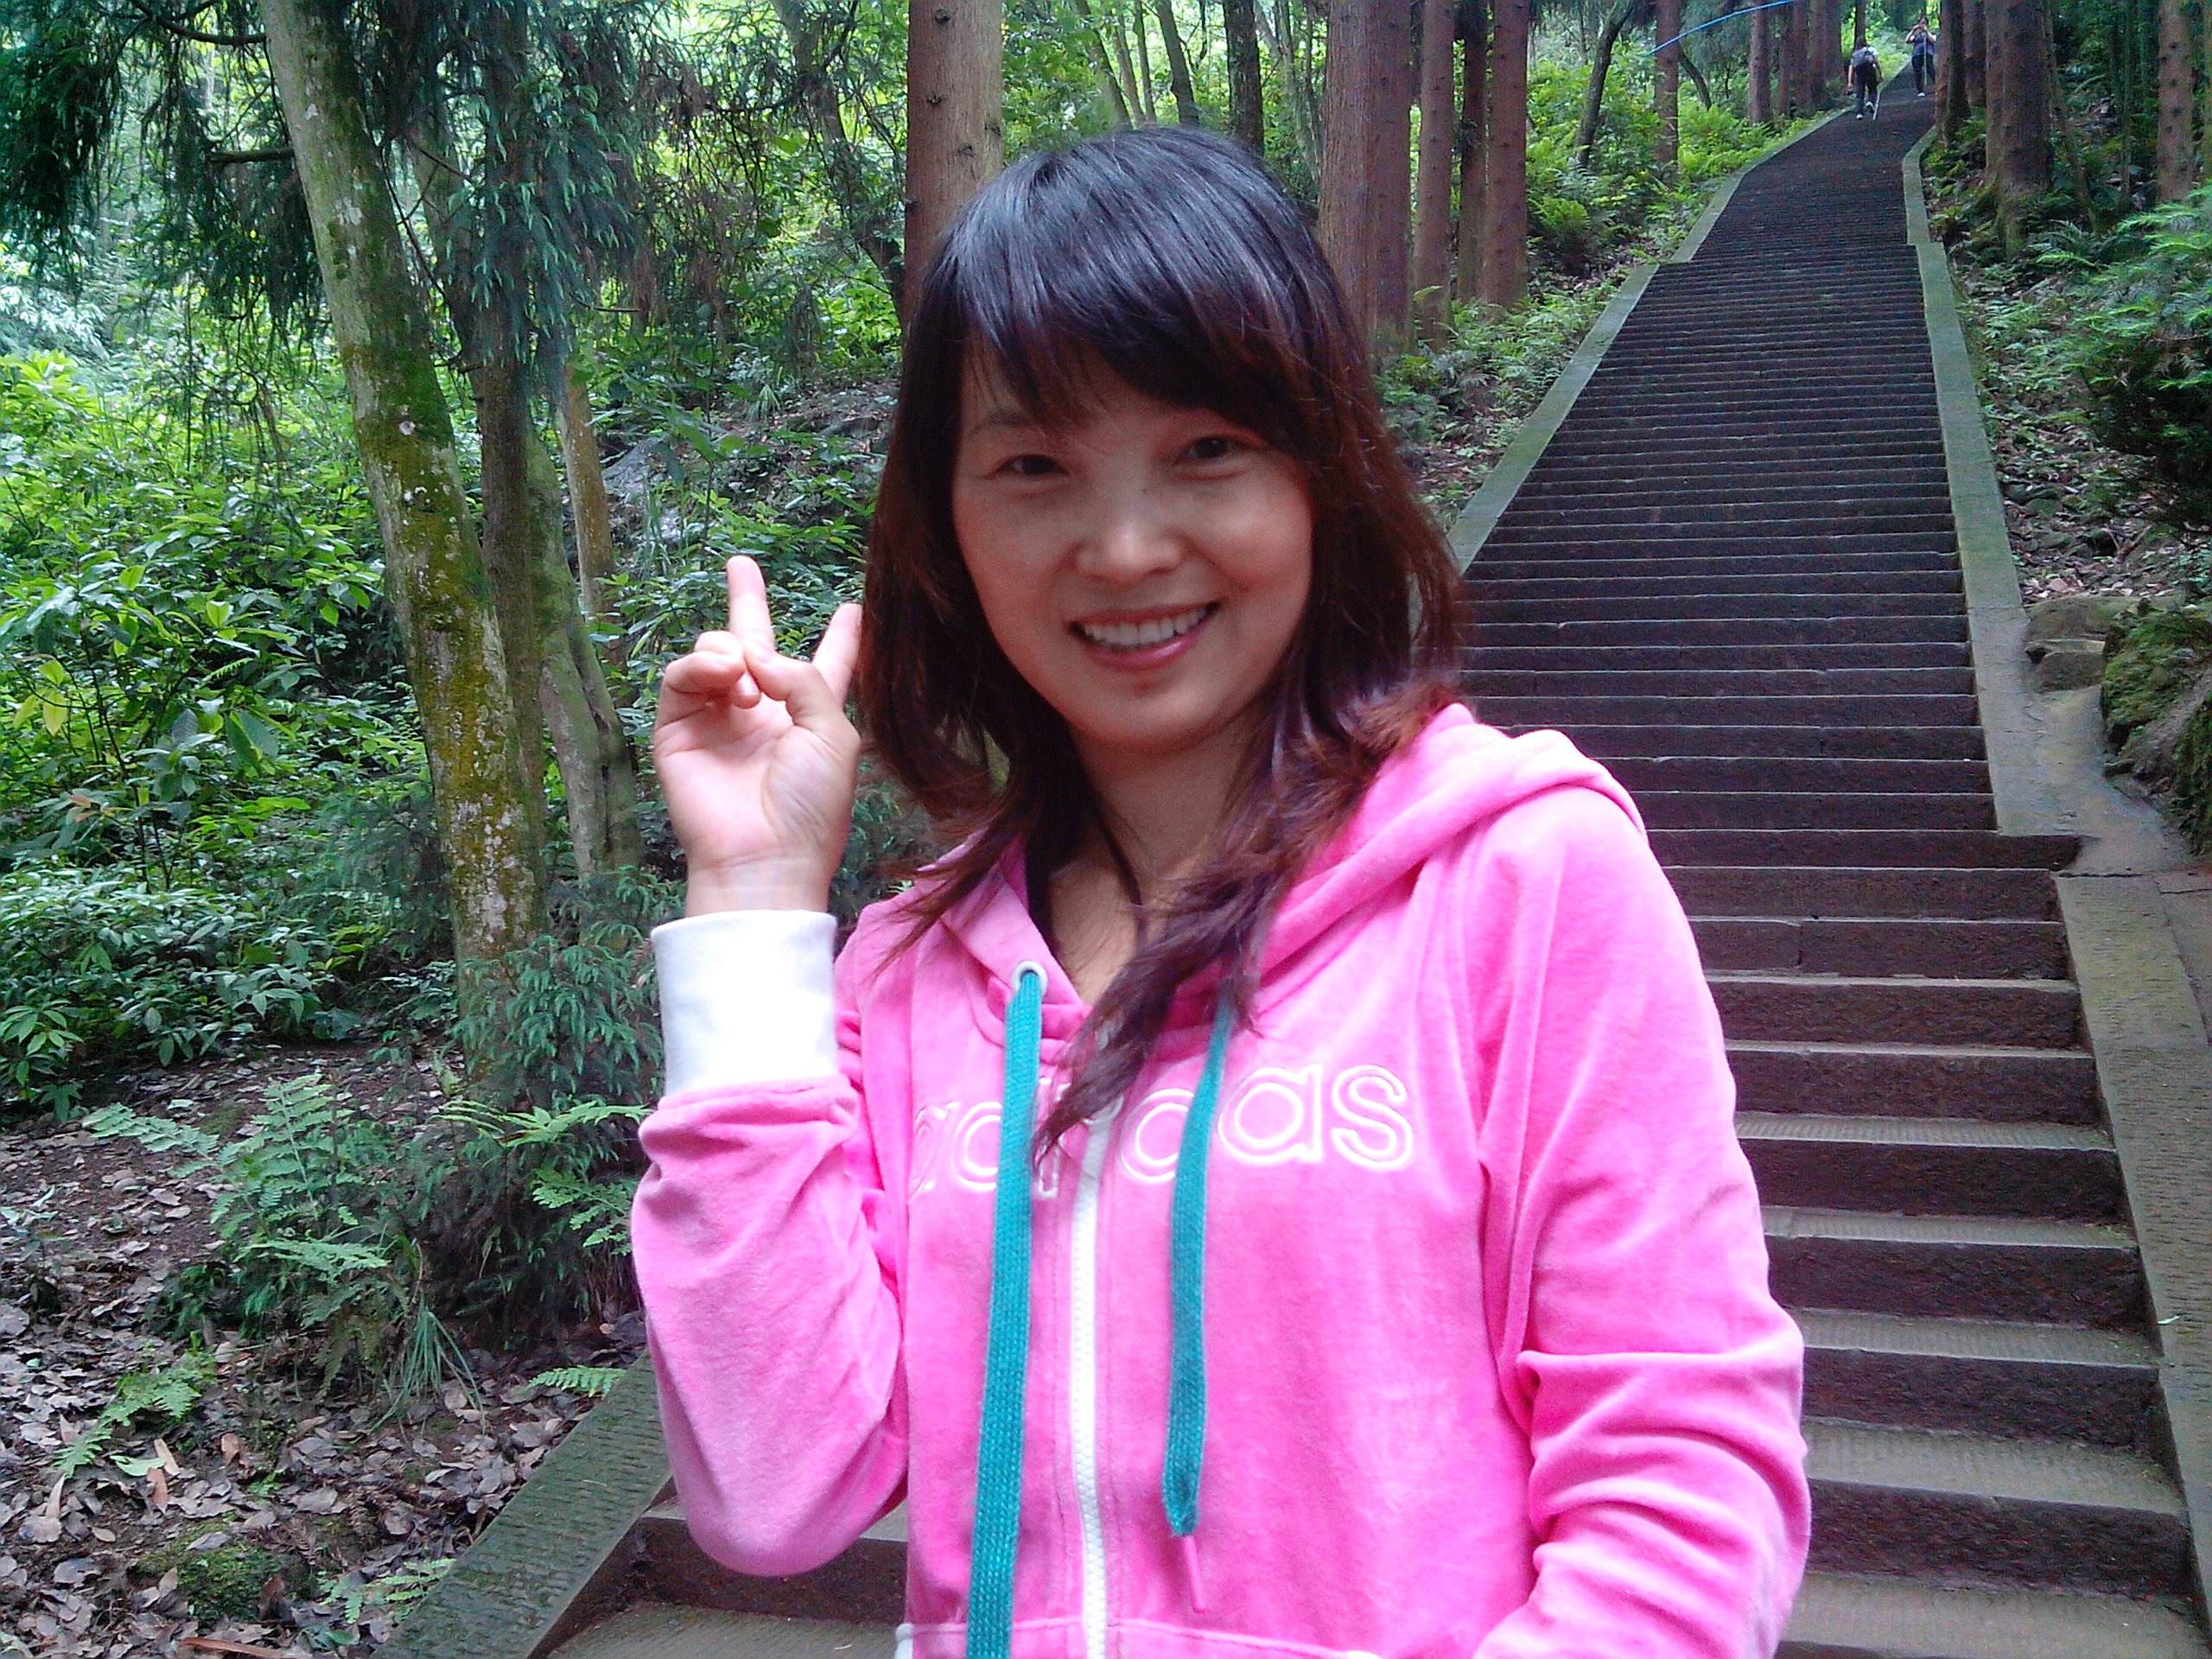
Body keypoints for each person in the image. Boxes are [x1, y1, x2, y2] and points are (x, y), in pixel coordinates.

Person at [632, 125, 1809, 1659]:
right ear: (950, 525)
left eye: (1207, 451)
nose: (1125, 549)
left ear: (1322, 471)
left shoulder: (1521, 882)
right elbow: (774, 1493)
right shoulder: (913, 969)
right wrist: (748, 906)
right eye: (1034, 467)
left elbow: (1683, 1498)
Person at [1850, 41, 1884, 118]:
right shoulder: (1869, 50)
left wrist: (1850, 82)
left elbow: (1851, 68)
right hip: (1869, 70)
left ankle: (1859, 113)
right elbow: (1876, 61)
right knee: (1872, 89)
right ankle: (1870, 102)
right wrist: (1880, 74)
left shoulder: (1855, 54)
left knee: (1860, 93)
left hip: (1859, 73)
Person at [1909, 22, 1938, 94]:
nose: (1921, 26)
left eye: (1923, 23)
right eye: (1920, 24)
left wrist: (1926, 31)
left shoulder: (1931, 33)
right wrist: (1913, 30)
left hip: (1927, 53)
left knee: (1930, 70)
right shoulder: (1916, 35)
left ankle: (1938, 86)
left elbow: (1933, 40)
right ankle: (1920, 90)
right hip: (1917, 54)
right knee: (1917, 72)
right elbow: (1907, 40)